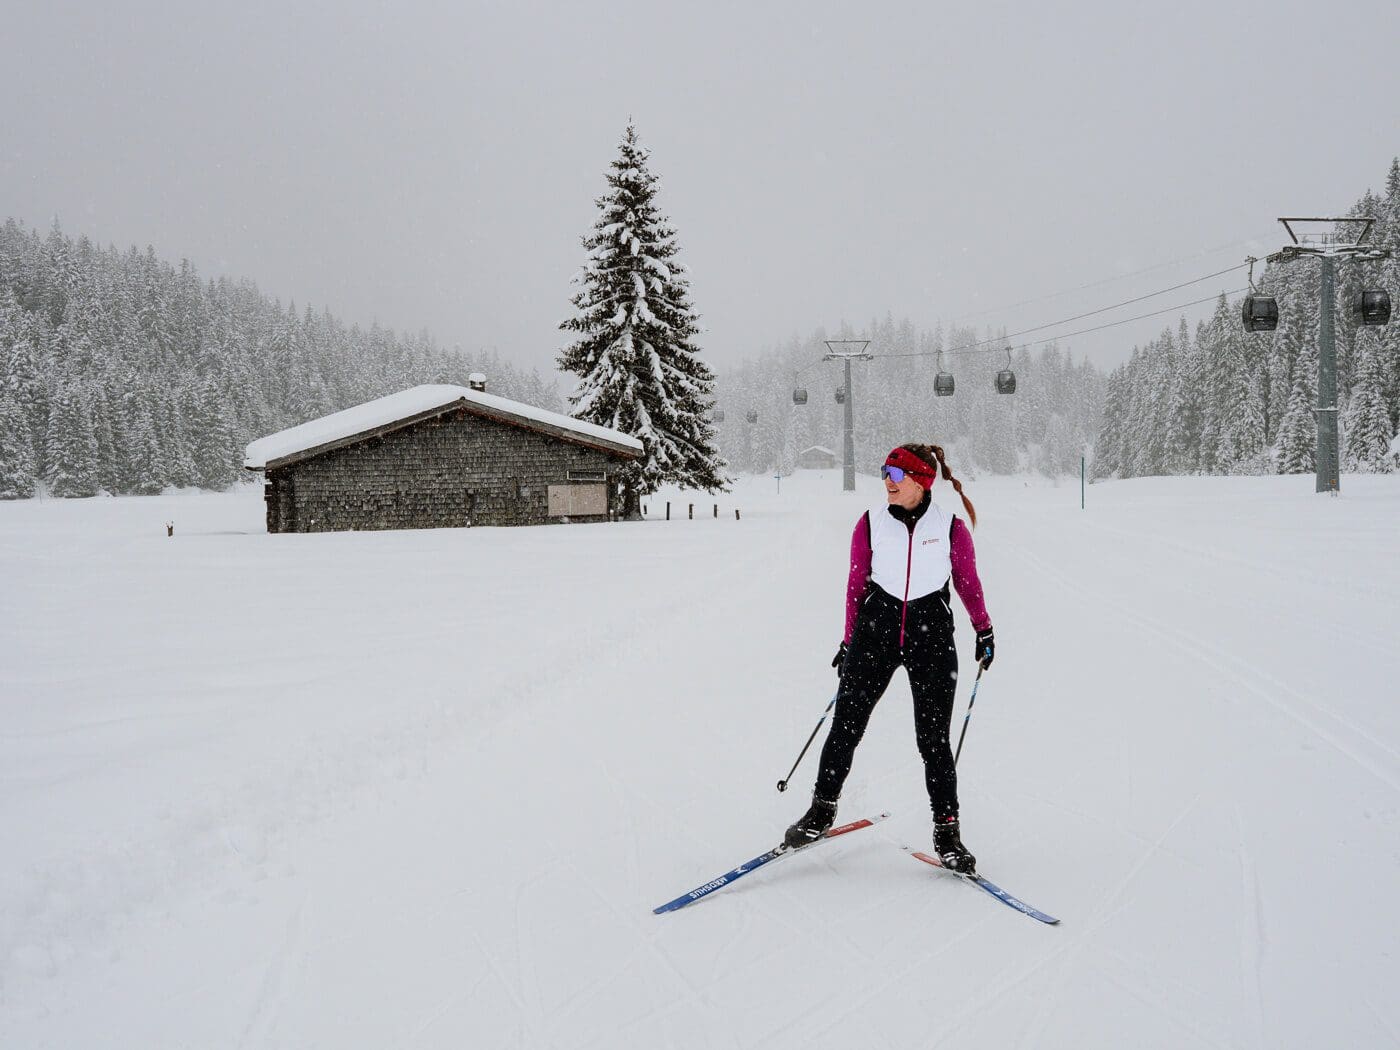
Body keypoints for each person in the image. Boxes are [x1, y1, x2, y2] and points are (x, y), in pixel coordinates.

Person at [784, 443, 994, 873]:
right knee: (846, 726)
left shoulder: (951, 528)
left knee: (933, 741)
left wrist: (983, 628)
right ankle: (821, 811)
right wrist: (849, 641)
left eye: (896, 475)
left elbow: (967, 582)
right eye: (884, 472)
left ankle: (948, 834)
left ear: (921, 482)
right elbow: (855, 584)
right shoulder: (870, 523)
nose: (887, 482)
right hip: (875, 635)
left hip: (931, 640)